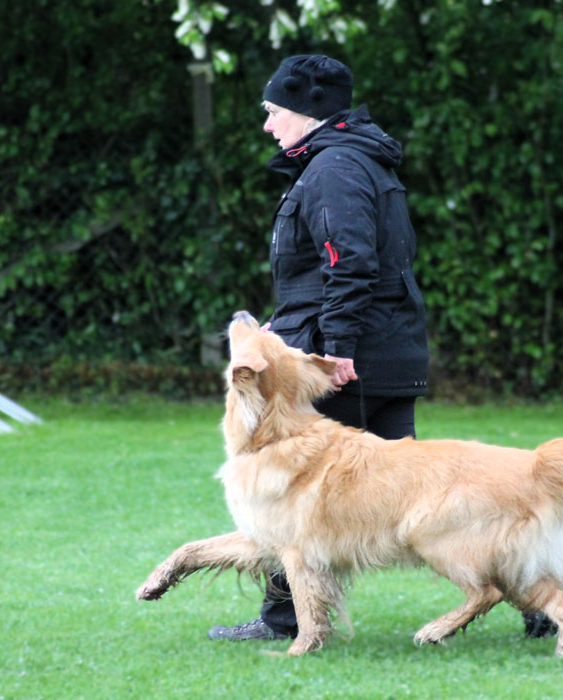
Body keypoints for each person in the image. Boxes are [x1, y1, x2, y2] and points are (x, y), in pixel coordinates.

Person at [206, 55, 430, 642]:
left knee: (294, 496)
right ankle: (530, 594)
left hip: (343, 364)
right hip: (387, 352)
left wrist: (337, 350)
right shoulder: (353, 162)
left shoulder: (334, 169)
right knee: (415, 503)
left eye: (275, 112)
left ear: (308, 112)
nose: (268, 126)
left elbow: (348, 263)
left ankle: (285, 621)